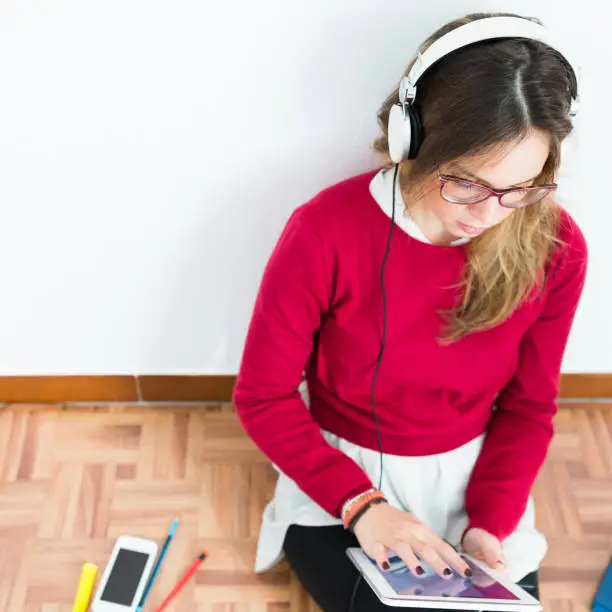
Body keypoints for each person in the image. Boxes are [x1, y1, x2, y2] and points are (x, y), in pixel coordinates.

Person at [233, 11, 587, 612]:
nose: (489, 213)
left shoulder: (556, 247)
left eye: (519, 188)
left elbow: (529, 406)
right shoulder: (324, 232)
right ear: (410, 140)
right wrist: (362, 508)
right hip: (342, 479)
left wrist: (489, 524)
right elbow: (261, 397)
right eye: (468, 183)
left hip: (473, 486)